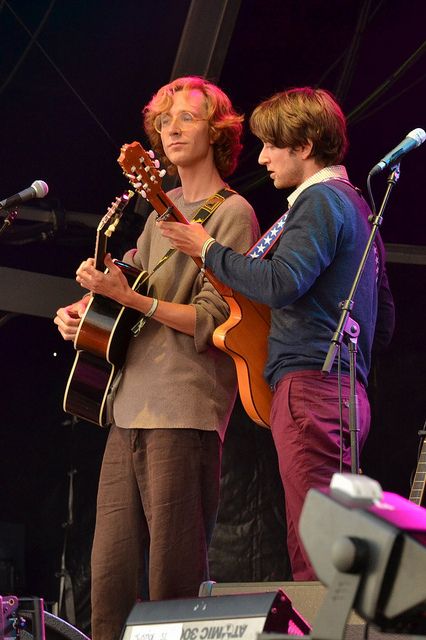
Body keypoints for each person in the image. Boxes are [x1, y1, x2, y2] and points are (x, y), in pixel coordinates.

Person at [158, 86, 395, 581]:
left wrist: (209, 250)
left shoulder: (317, 203)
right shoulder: (357, 207)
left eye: (271, 144)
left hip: (310, 388)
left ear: (305, 146)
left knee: (313, 550)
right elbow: (385, 318)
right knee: (332, 543)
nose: (262, 156)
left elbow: (283, 282)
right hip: (347, 390)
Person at [54, 76, 260, 640]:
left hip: (183, 410)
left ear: (217, 132)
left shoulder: (232, 213)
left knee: (174, 580)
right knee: (110, 577)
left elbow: (213, 320)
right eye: (164, 121)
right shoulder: (153, 218)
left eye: (186, 118)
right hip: (128, 410)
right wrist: (85, 307)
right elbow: (128, 295)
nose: (171, 129)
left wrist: (131, 298)